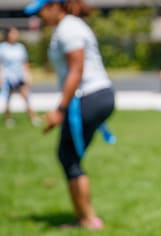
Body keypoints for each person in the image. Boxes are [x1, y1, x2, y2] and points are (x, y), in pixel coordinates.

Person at [24, 0, 115, 229]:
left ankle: (87, 219)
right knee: (69, 156)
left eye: (41, 11)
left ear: (55, 6)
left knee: (68, 156)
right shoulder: (65, 28)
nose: (40, 16)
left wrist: (60, 110)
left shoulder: (69, 29)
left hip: (90, 97)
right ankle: (85, 217)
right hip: (94, 97)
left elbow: (77, 69)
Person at [0, 27, 40, 128]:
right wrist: (1, 76)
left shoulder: (20, 47)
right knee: (8, 99)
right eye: (13, 33)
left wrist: (27, 75)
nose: (15, 35)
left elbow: (24, 62)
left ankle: (33, 117)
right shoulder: (2, 47)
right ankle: (8, 118)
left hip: (19, 76)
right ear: (8, 35)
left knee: (26, 96)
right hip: (8, 76)